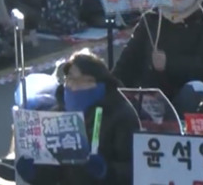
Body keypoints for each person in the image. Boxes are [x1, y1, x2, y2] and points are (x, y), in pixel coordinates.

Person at [12, 50, 139, 185]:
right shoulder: (57, 115)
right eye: (68, 79)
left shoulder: (121, 115)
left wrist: (107, 172)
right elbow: (54, 173)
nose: (70, 86)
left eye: (77, 80)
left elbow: (135, 169)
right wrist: (35, 173)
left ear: (95, 82)